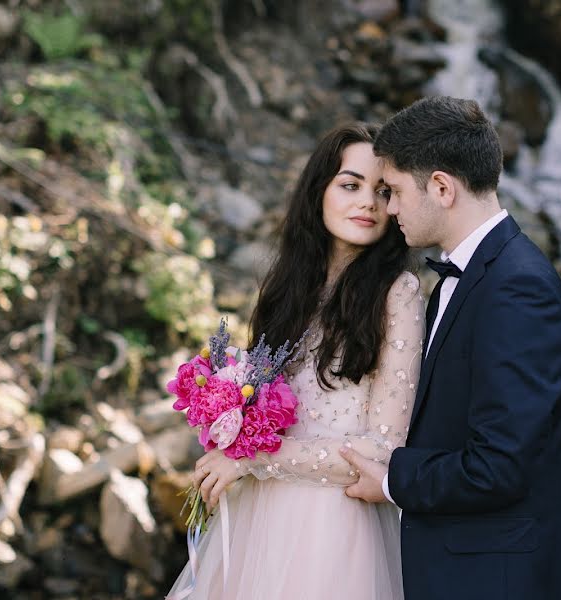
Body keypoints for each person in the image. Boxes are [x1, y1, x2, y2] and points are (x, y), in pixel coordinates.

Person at [340, 96, 561, 600]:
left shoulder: (519, 288)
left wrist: (395, 479)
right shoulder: (470, 276)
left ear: (441, 187)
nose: (387, 208)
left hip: (501, 579)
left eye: (393, 191)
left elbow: (498, 466)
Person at [166, 123, 424, 600]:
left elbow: (383, 449)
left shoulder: (397, 294)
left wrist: (252, 458)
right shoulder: (288, 290)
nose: (368, 202)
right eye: (350, 185)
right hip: (257, 517)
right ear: (318, 191)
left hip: (335, 529)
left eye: (382, 191)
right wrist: (228, 423)